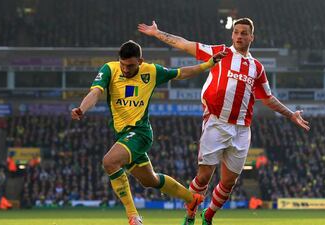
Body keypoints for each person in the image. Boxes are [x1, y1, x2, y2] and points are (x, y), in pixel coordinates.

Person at [138, 18, 310, 225]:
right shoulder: (220, 52)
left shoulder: (257, 68)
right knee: (203, 177)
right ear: (232, 35)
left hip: (242, 129)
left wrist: (291, 114)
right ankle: (190, 214)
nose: (239, 36)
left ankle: (208, 216)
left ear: (251, 37)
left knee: (229, 182)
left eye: (244, 33)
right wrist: (158, 33)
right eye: (236, 32)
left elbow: (267, 98)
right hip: (216, 123)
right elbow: (184, 43)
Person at [71, 40, 227, 225]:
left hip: (140, 133)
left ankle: (133, 216)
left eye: (130, 65)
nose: (125, 69)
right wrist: (82, 108)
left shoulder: (151, 72)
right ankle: (192, 199)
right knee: (150, 180)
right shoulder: (110, 69)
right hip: (123, 135)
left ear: (140, 61)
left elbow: (181, 73)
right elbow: (96, 92)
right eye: (123, 64)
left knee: (110, 162)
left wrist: (209, 64)